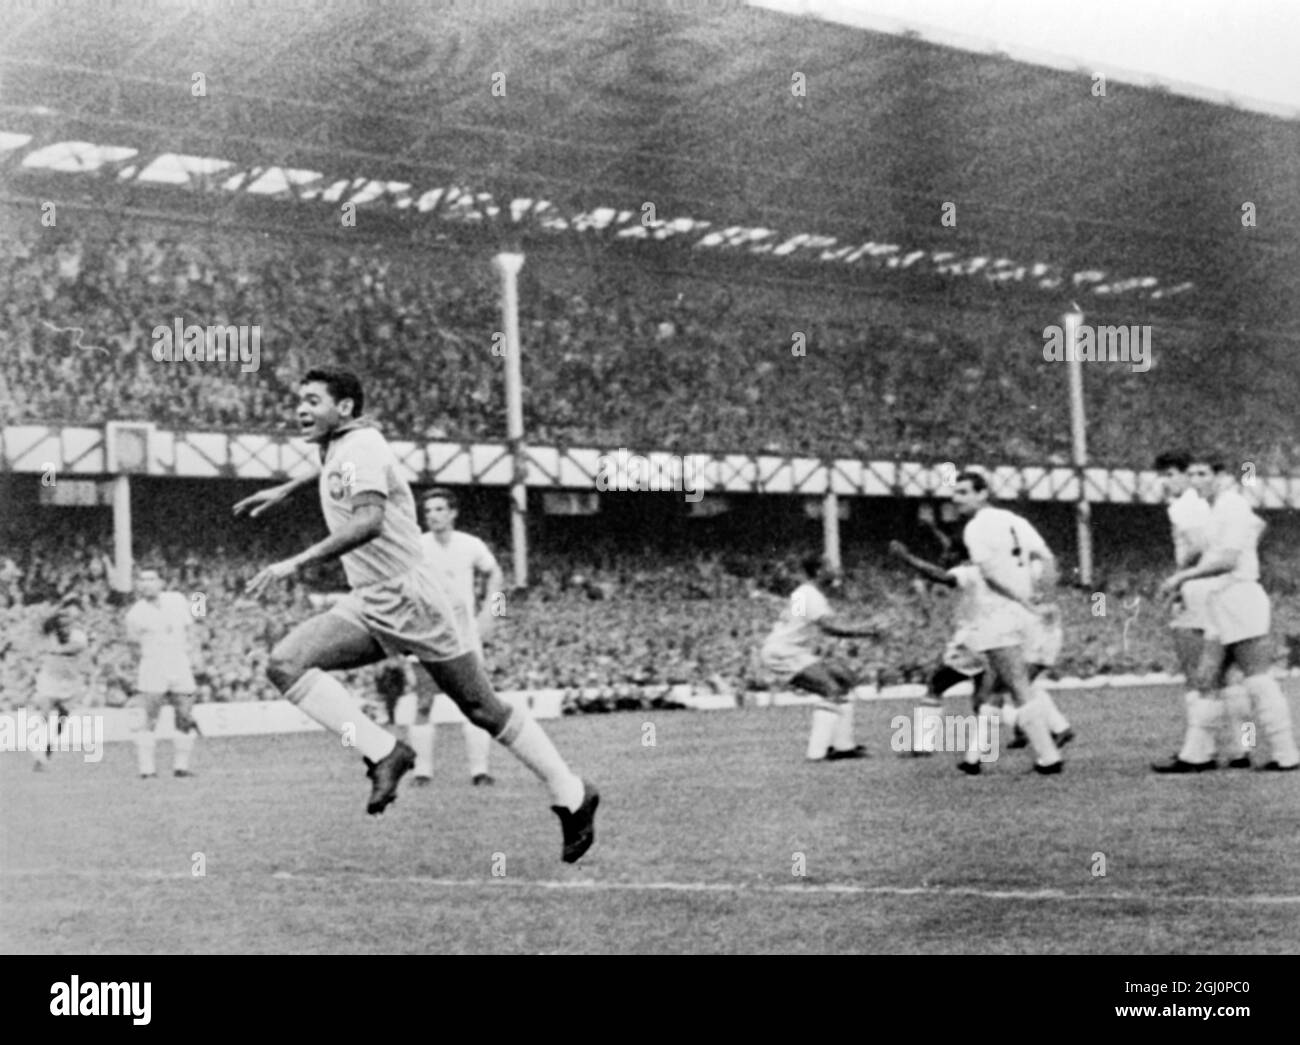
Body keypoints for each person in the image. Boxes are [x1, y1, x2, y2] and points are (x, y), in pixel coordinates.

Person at [234, 367, 598, 861]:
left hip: (413, 599)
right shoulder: (341, 446)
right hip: (369, 597)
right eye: (299, 399)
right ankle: (386, 752)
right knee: (285, 663)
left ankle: (571, 792)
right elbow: (340, 473)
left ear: (343, 409)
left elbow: (368, 521)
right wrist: (289, 488)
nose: (301, 408)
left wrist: (297, 562)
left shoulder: (360, 446)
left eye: (313, 400)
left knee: (481, 708)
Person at [1155, 458, 1298, 772]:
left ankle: (1286, 755)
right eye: (1191, 473)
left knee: (1257, 678)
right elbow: (1256, 528)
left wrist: (1181, 577)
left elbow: (1229, 559)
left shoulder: (1230, 504)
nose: (1195, 479)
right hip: (1221, 597)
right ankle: (1198, 756)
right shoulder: (1217, 506)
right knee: (1209, 677)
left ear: (1221, 477)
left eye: (1202, 473)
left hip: (1240, 593)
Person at [949, 469, 1065, 775]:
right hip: (1024, 614)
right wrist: (1044, 597)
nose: (955, 498)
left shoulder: (975, 528)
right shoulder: (1016, 520)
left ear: (982, 492)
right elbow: (1048, 559)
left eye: (962, 492)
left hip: (998, 614)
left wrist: (1023, 599)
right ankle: (974, 758)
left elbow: (989, 575)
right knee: (996, 686)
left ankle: (1048, 757)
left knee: (1016, 684)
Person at [1152, 451, 1250, 769]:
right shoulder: (1217, 502)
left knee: (1198, 676)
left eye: (1170, 474)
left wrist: (1178, 576)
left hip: (1199, 589)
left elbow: (1196, 545)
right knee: (1228, 677)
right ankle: (1241, 749)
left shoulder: (1185, 505)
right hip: (1224, 589)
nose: (1164, 482)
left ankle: (1199, 753)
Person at [407, 488, 505, 787]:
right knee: (423, 702)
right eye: (428, 511)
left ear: (452, 513)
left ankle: (480, 771)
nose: (433, 516)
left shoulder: (470, 545)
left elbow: (496, 573)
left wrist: (493, 612)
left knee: (475, 702)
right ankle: (422, 771)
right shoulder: (417, 546)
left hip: (464, 636)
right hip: (426, 634)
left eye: (439, 509)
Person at [759, 552, 877, 761]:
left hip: (790, 649)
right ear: (820, 571)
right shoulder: (810, 595)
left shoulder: (804, 593)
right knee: (831, 689)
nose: (835, 568)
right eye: (830, 565)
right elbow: (829, 627)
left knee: (843, 679)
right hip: (783, 651)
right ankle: (816, 754)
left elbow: (798, 621)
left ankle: (844, 747)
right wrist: (866, 631)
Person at [124, 568, 203, 778]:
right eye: (142, 580)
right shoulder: (134, 614)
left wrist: (195, 654)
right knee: (149, 717)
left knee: (185, 714)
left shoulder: (177, 600)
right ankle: (147, 769)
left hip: (179, 663)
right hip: (153, 666)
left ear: (161, 582)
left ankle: (181, 767)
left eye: (151, 579)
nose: (147, 584)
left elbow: (191, 628)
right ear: (138, 585)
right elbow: (133, 645)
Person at [29, 595, 90, 771]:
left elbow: (73, 648)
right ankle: (39, 754)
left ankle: (48, 749)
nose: (64, 625)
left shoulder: (79, 636)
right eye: (61, 620)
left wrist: (54, 650)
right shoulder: (50, 631)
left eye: (68, 621)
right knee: (45, 713)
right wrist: (59, 605)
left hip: (70, 682)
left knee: (62, 719)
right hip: (50, 679)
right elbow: (42, 623)